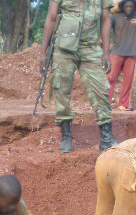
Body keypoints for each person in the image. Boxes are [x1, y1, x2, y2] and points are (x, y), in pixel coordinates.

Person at [40, 0, 118, 153]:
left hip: (91, 47)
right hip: (64, 48)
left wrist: (106, 52)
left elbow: (106, 19)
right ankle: (66, 136)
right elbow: (51, 18)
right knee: (61, 91)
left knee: (101, 90)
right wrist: (43, 52)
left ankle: (106, 138)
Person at [108, 0, 136, 110]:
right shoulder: (115, 17)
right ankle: (105, 102)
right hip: (116, 53)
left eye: (131, 6)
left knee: (127, 81)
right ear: (122, 7)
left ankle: (123, 104)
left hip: (131, 54)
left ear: (134, 7)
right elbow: (106, 29)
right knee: (110, 79)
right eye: (126, 6)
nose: (128, 8)